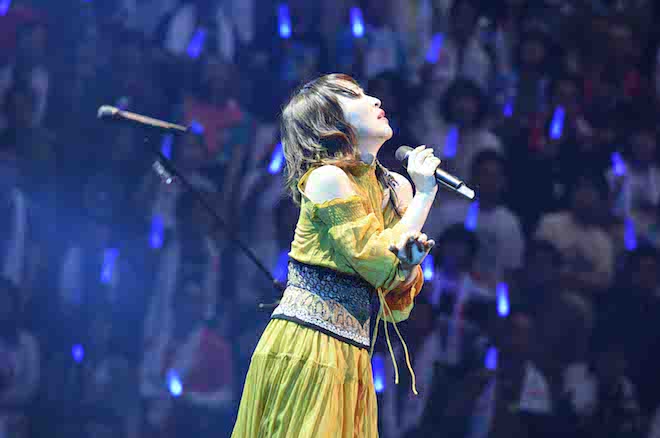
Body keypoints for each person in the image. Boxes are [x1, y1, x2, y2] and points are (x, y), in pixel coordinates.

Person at [232, 73, 440, 437]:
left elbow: (395, 304)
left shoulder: (396, 188)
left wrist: (408, 266)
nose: (374, 100)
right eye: (355, 96)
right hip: (308, 348)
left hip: (353, 355)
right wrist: (425, 197)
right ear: (331, 122)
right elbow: (377, 260)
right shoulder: (327, 178)